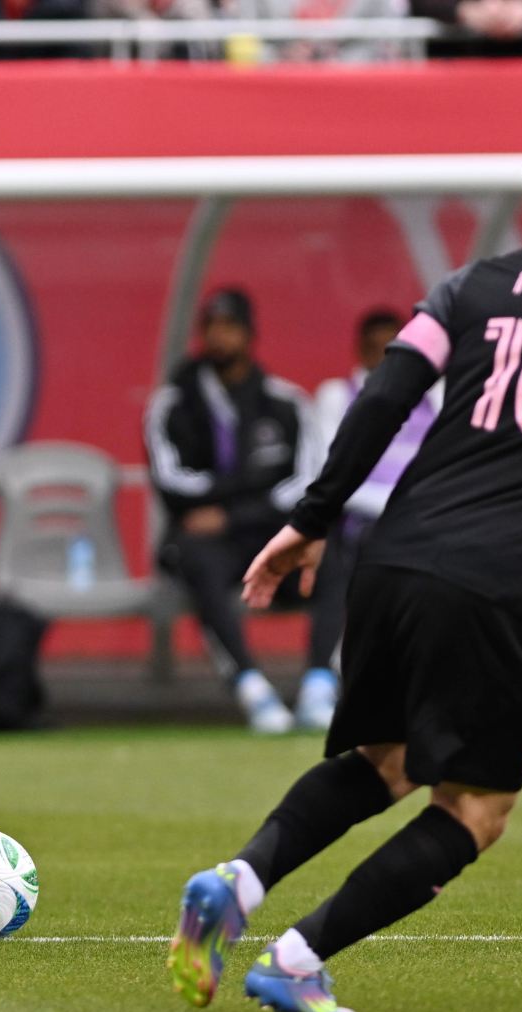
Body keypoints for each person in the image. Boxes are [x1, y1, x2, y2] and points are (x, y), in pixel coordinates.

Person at [168, 116, 522, 1012]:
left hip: (395, 558)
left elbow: (385, 395)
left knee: (384, 759)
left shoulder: (472, 286)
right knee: (478, 807)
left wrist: (311, 521)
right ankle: (297, 959)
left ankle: (238, 881)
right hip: (502, 588)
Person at [143, 288, 325, 734]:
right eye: (211, 327)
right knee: (195, 557)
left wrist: (231, 509)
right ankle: (251, 687)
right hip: (209, 544)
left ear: (249, 333)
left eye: (229, 327)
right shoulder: (173, 403)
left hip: (267, 536)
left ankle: (322, 684)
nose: (219, 337)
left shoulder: (285, 402)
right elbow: (171, 482)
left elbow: (306, 485)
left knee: (332, 553)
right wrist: (251, 486)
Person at [302, 308, 440, 729]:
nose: (383, 357)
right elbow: (331, 470)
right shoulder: (337, 395)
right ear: (360, 350)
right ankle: (322, 683)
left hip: (422, 522)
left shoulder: (436, 397)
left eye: (391, 348)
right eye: (374, 347)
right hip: (359, 523)